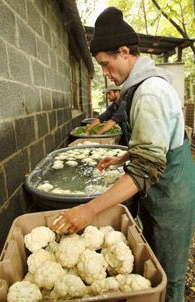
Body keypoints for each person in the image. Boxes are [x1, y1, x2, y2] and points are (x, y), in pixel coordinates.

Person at [52, 7, 195, 302]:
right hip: (160, 187)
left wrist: (89, 209)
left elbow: (147, 169)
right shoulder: (140, 88)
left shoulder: (150, 93)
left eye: (105, 64)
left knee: (168, 277)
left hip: (171, 195)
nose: (104, 73)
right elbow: (155, 142)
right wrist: (124, 157)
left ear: (125, 51)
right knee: (154, 261)